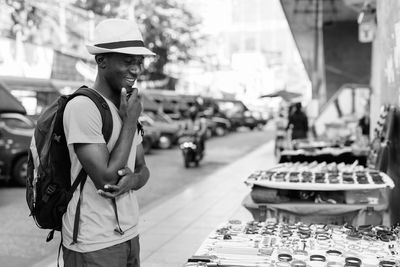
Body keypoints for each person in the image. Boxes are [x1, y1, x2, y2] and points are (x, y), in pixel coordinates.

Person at [62, 18, 154, 267]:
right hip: (92, 242)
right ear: (101, 60)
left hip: (129, 234)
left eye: (139, 61)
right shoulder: (83, 107)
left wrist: (133, 180)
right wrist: (130, 121)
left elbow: (142, 168)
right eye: (127, 61)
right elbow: (106, 178)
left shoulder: (126, 106)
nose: (136, 69)